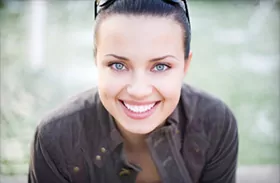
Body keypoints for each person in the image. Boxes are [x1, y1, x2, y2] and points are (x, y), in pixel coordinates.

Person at [28, 0, 239, 183]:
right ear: (96, 61)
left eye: (160, 66)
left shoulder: (216, 124)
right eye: (118, 65)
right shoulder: (56, 138)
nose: (138, 91)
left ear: (185, 65)